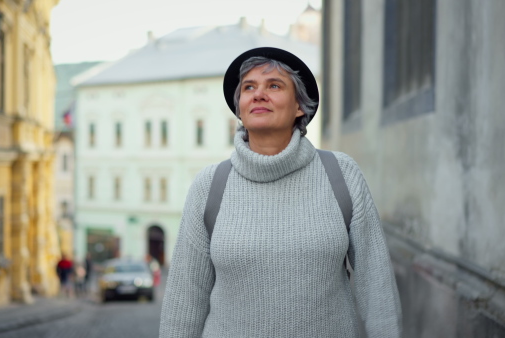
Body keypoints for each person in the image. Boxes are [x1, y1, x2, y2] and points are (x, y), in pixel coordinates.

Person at [159, 47, 402, 337]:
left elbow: (377, 287)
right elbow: (185, 297)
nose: (258, 94)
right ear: (240, 108)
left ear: (300, 106)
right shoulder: (210, 185)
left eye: (274, 85)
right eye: (249, 87)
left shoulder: (341, 174)